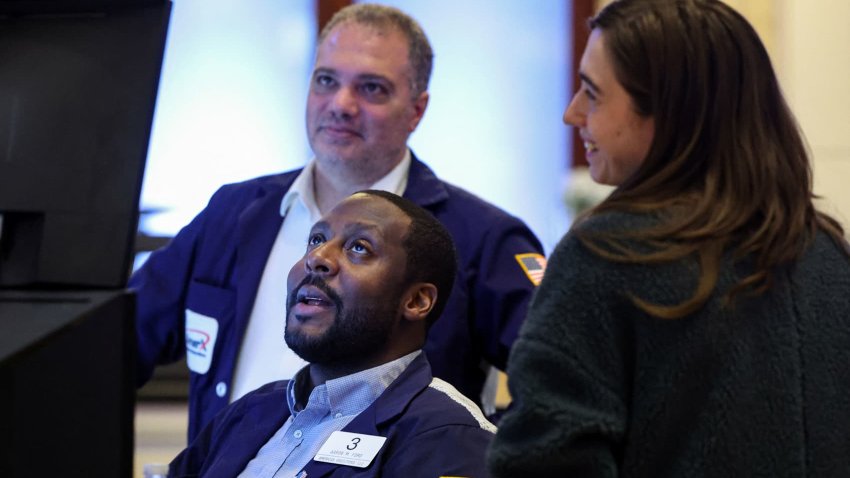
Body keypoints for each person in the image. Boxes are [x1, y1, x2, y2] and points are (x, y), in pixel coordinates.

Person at [131, 3, 544, 441]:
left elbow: (561, 386)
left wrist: (475, 455)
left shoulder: (480, 236)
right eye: (326, 81)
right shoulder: (233, 213)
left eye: (372, 88)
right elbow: (113, 347)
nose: (342, 105)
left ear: (417, 110)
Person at [488, 0, 850, 476]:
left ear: (669, 112)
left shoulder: (606, 254)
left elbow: (544, 462)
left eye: (592, 93)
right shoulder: (827, 253)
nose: (572, 114)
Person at [169, 190, 496, 477]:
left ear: (416, 300)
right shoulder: (250, 412)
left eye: (359, 247)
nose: (317, 258)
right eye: (316, 239)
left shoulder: (450, 436)